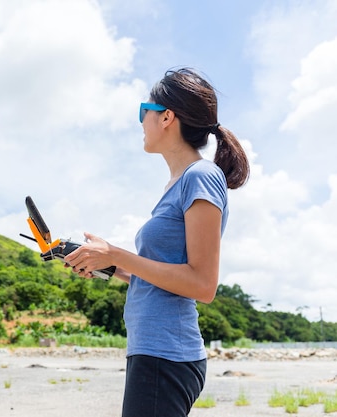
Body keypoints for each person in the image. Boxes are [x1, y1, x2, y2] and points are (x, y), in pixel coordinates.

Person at [64, 67, 250, 417]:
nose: (140, 122)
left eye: (142, 112)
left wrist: (117, 253)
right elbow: (163, 279)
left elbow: (201, 284)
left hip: (167, 354)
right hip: (152, 350)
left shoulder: (202, 176)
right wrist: (108, 265)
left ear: (167, 117)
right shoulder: (178, 184)